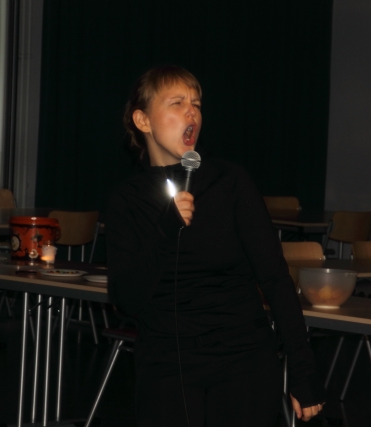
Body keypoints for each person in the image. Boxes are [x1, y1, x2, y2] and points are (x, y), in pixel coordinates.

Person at [106, 66, 325, 427]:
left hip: (243, 358)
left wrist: (303, 368)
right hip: (167, 363)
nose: (191, 112)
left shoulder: (230, 182)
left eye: (196, 104)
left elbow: (275, 277)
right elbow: (126, 301)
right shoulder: (126, 201)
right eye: (177, 103)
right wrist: (164, 232)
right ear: (143, 120)